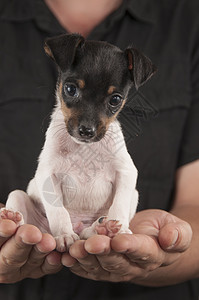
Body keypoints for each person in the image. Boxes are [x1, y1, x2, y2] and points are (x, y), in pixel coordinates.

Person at [0, 0, 199, 299]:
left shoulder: (187, 17)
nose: (88, 123)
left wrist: (120, 223)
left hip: (106, 236)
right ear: (60, 74)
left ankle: (100, 231)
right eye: (72, 91)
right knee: (17, 198)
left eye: (113, 100)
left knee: (127, 191)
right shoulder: (56, 131)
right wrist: (59, 224)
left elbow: (127, 174)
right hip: (43, 226)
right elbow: (45, 178)